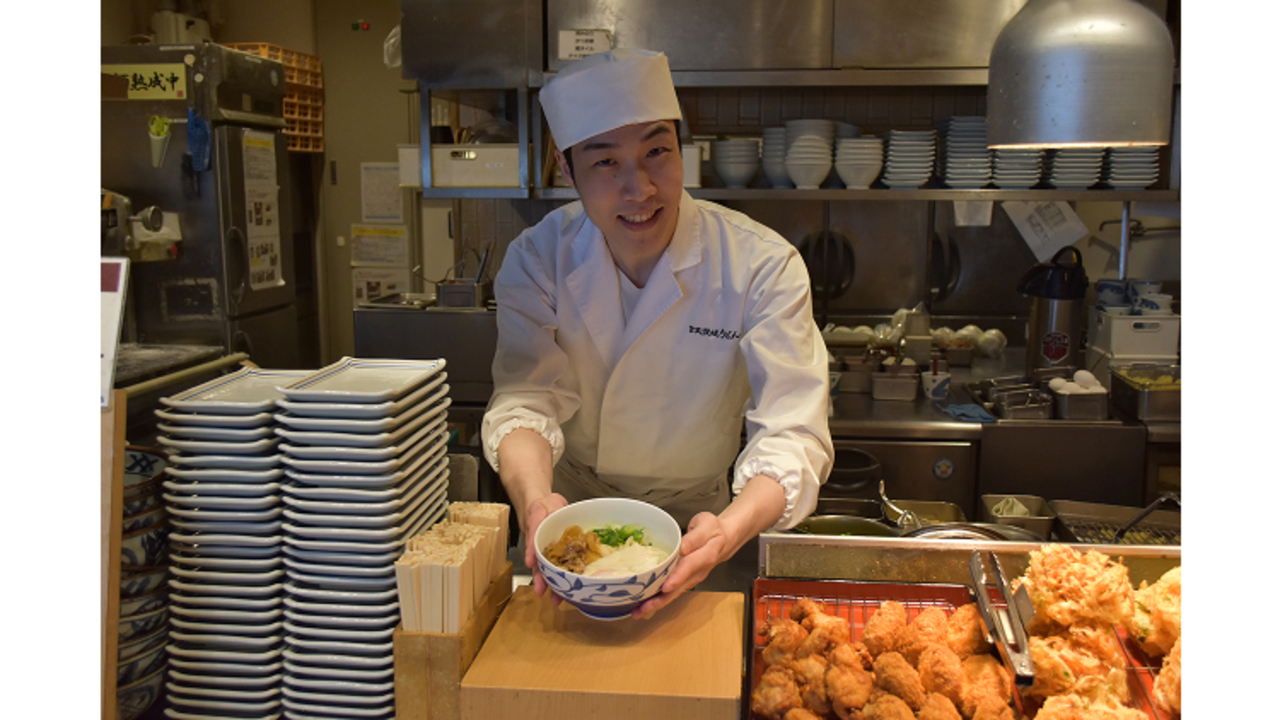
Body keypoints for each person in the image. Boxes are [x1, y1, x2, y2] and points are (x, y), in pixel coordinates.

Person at [480, 48, 834, 617]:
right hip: (570, 515)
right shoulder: (538, 258)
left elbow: (794, 431)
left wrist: (728, 531)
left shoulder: (760, 263)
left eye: (656, 151)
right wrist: (535, 503)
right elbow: (525, 399)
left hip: (702, 525)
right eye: (604, 163)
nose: (639, 188)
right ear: (566, 170)